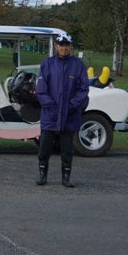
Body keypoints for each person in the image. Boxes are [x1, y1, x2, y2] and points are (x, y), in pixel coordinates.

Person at [35, 32, 89, 187]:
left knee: (67, 148)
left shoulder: (78, 65)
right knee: (45, 147)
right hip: (50, 114)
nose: (64, 48)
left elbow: (83, 89)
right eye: (61, 45)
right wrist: (51, 107)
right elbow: (41, 89)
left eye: (66, 45)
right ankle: (42, 174)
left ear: (70, 47)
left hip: (69, 115)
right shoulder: (47, 64)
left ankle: (66, 177)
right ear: (56, 46)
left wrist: (72, 106)